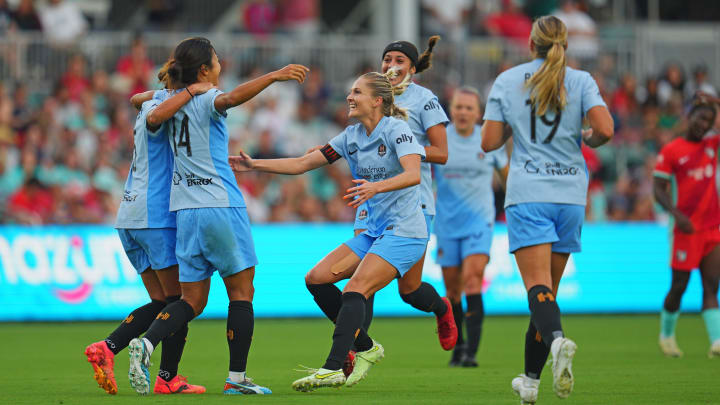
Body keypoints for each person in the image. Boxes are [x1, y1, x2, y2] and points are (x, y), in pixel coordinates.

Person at [125, 37, 308, 396]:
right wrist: (275, 75)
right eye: (217, 59)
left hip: (184, 210)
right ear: (205, 70)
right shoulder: (207, 97)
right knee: (241, 290)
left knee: (191, 301)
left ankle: (146, 344)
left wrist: (173, 90)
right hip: (221, 205)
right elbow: (231, 98)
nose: (221, 64)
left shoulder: (166, 99)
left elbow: (140, 102)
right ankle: (236, 379)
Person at [229, 70, 426, 391]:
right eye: (351, 91)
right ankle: (367, 347)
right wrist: (255, 165)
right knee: (316, 279)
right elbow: (301, 164)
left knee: (354, 290)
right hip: (374, 232)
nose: (350, 97)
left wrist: (376, 188)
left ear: (377, 101)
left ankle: (333, 367)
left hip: (405, 232)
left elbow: (413, 173)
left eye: (357, 92)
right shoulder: (350, 136)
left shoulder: (397, 130)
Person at [481, 16, 613, 404]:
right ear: (565, 43)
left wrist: (512, 126)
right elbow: (605, 130)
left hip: (529, 194)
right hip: (571, 195)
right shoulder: (582, 80)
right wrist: (585, 136)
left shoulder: (508, 80)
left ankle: (557, 343)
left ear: (530, 42)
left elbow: (489, 141)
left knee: (537, 290)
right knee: (547, 297)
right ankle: (531, 383)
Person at [83, 67, 212, 396]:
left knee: (160, 301)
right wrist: (193, 91)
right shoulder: (167, 105)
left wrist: (170, 92)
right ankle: (168, 378)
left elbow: (136, 98)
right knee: (181, 301)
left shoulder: (151, 101)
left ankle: (107, 347)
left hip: (128, 214)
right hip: (154, 215)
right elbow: (157, 114)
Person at [354, 36, 457, 353]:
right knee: (361, 282)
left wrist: (406, 150)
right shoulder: (372, 95)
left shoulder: (424, 100)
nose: (391, 65)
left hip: (414, 201)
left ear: (413, 67)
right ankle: (355, 347)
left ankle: (442, 309)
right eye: (387, 59)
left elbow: (442, 152)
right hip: (372, 198)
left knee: (409, 290)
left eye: (399, 60)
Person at [434, 86, 508, 368]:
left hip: (480, 220)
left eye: (469, 108)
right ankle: (459, 345)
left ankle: (471, 353)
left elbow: (507, 178)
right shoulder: (439, 139)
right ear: (450, 110)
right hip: (447, 223)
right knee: (452, 291)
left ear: (479, 114)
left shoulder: (488, 141)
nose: (463, 112)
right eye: (459, 107)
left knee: (473, 279)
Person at [653, 97, 720, 359]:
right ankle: (666, 335)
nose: (703, 125)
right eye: (700, 118)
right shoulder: (672, 150)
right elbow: (658, 188)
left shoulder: (712, 145)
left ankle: (716, 342)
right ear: (689, 116)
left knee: (711, 284)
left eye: (709, 120)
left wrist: (715, 101)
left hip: (712, 228)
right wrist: (676, 215)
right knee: (679, 287)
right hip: (686, 229)